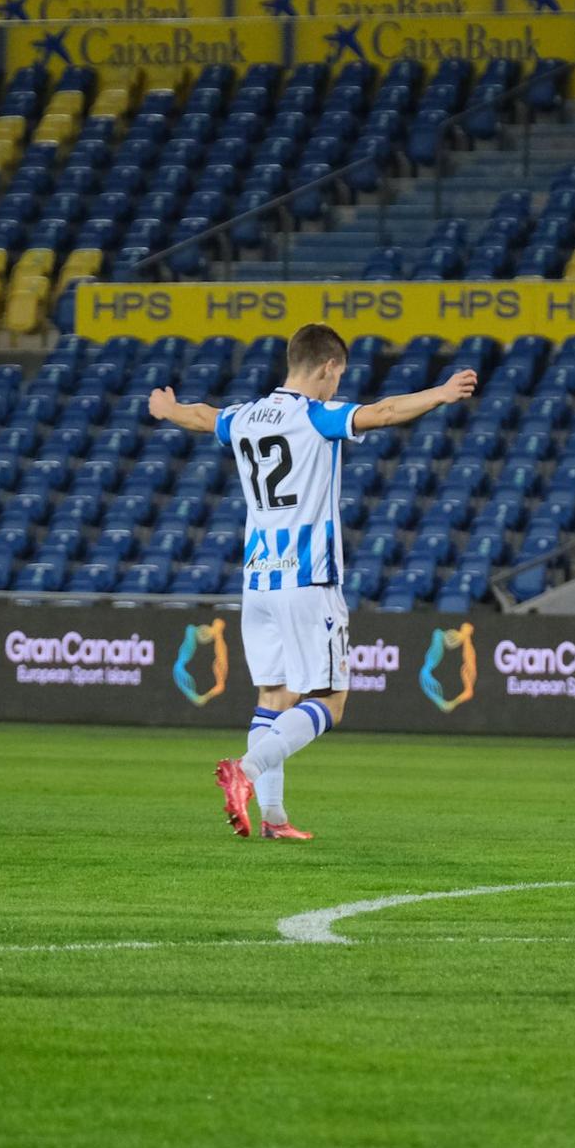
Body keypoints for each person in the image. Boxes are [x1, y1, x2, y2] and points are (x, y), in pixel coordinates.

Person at [149, 323, 478, 840]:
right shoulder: (316, 416)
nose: (337, 387)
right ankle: (247, 771)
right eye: (339, 376)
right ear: (327, 367)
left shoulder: (246, 417)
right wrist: (441, 392)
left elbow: (203, 416)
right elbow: (386, 412)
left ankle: (274, 819)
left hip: (257, 581)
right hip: (307, 578)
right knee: (331, 700)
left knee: (273, 695)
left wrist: (168, 411)